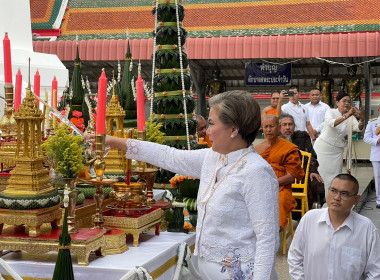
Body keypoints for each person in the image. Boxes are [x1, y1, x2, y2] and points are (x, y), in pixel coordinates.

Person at [102, 91, 280, 279]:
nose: (207, 130)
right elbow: (169, 156)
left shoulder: (256, 171)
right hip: (203, 270)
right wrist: (114, 142)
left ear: (234, 129)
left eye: (211, 123)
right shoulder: (214, 158)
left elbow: (267, 240)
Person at [288, 174, 380, 280]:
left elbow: (375, 272)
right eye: (334, 191)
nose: (336, 198)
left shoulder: (366, 229)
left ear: (356, 199)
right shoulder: (310, 219)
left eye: (344, 194)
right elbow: (295, 258)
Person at [256, 115, 304, 229]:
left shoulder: (288, 148)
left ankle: (276, 229)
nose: (268, 130)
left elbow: (291, 176)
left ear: (278, 127)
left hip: (281, 187)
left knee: (280, 201)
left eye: (271, 126)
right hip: (260, 186)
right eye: (265, 127)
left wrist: (271, 183)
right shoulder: (258, 148)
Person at [313, 91, 364, 195]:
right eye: (344, 101)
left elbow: (358, 128)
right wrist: (346, 116)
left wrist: (362, 119)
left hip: (337, 151)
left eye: (349, 102)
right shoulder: (330, 112)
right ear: (337, 102)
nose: (346, 103)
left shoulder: (351, 117)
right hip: (323, 148)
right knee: (321, 173)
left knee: (335, 175)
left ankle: (331, 197)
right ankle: (319, 197)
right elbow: (332, 123)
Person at [278, 114, 325, 207]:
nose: (288, 128)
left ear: (294, 126)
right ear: (279, 127)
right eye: (284, 125)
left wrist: (312, 171)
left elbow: (312, 157)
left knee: (316, 181)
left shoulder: (302, 137)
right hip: (282, 174)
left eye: (290, 124)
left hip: (302, 173)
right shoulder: (275, 141)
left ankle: (313, 208)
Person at [363, 104, 380, 209]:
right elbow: (366, 138)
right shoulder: (373, 122)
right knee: (378, 177)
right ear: (378, 109)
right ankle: (379, 200)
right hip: (377, 153)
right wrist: (376, 141)